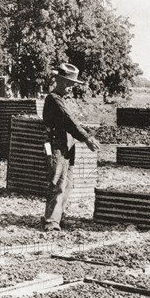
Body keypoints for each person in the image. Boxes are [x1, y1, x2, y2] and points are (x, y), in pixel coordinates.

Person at [43, 63, 100, 231]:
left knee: (68, 184)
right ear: (59, 81)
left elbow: (74, 122)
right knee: (57, 182)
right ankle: (51, 221)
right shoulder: (53, 99)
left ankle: (59, 217)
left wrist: (89, 133)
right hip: (55, 144)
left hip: (67, 144)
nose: (71, 88)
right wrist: (86, 137)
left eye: (73, 85)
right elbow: (69, 120)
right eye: (68, 84)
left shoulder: (64, 100)